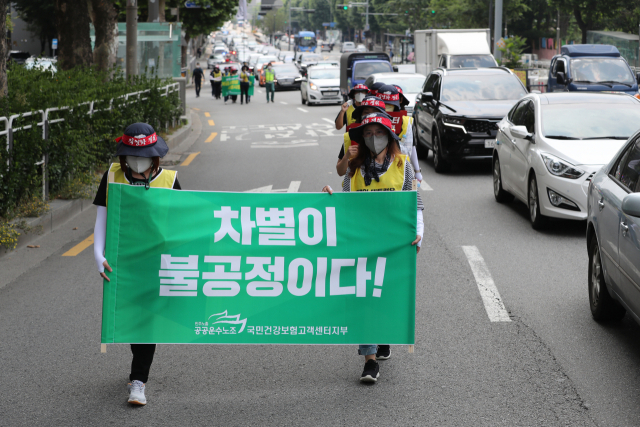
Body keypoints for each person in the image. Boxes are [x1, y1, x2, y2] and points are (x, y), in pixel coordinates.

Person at [322, 112, 424, 383]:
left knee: (385, 296)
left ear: (389, 136)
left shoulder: (403, 166)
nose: (373, 138)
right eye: (367, 134)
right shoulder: (355, 168)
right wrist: (328, 199)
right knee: (364, 298)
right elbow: (346, 201)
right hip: (362, 244)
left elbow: (415, 203)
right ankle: (369, 361)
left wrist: (418, 234)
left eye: (378, 133)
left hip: (392, 245)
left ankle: (384, 337)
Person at [92, 123, 181, 405]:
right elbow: (102, 217)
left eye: (144, 157)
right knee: (130, 320)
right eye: (132, 156)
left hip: (157, 262)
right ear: (124, 157)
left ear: (155, 157)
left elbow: (185, 223)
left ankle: (138, 381)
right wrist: (97, 253)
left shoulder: (170, 180)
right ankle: (137, 370)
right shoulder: (113, 176)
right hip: (122, 262)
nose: (138, 162)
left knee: (146, 322)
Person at [375, 84, 422, 183]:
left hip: (401, 171)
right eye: (384, 105)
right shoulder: (369, 121)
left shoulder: (407, 122)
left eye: (389, 106)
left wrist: (417, 171)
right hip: (375, 172)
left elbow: (410, 149)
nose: (386, 109)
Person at [336, 95, 388, 176]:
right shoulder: (350, 137)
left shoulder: (390, 137)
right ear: (360, 115)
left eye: (375, 112)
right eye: (366, 112)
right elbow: (340, 172)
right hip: (355, 187)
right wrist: (346, 157)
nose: (371, 115)